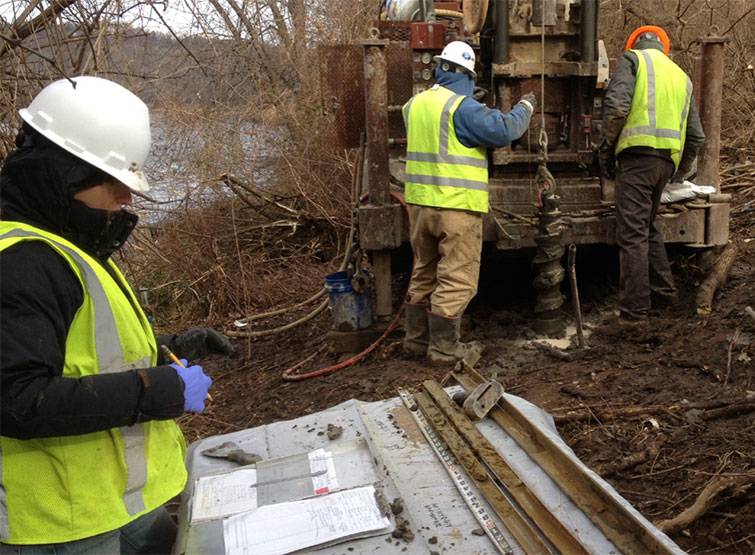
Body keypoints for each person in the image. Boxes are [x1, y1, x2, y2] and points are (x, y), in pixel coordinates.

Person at [0, 76, 234, 553]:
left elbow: (75, 349)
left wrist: (165, 348)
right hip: (57, 525)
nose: (128, 199)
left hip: (107, 502)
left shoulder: (58, 244)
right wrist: (159, 389)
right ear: (67, 175)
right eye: (117, 182)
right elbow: (17, 398)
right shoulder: (21, 261)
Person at [401, 41, 534, 363]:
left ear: (439, 68)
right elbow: (504, 130)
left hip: (420, 207)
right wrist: (525, 108)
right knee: (457, 277)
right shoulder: (462, 107)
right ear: (468, 76)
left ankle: (416, 341)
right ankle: (445, 349)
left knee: (424, 271)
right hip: (456, 206)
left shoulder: (413, 105)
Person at [598, 26, 705, 331]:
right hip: (663, 165)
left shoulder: (632, 61)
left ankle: (633, 315)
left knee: (631, 234)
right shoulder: (681, 77)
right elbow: (696, 136)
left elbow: (617, 108)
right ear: (664, 48)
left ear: (635, 43)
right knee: (647, 227)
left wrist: (605, 152)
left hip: (636, 160)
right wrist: (678, 172)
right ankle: (664, 294)